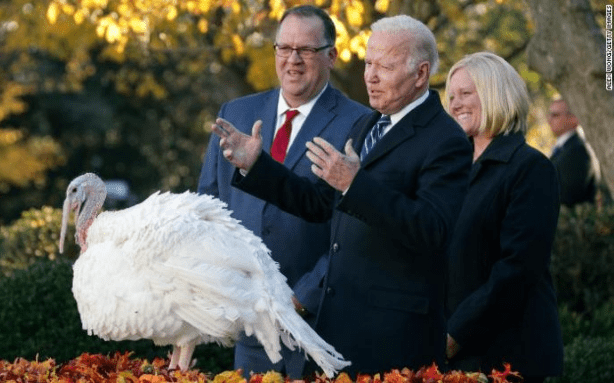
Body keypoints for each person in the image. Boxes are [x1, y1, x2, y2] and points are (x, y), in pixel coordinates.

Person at [210, 15, 472, 376]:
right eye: (368, 64)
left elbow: (432, 228)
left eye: (386, 66)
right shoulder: (371, 124)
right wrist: (257, 166)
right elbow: (318, 204)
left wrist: (355, 185)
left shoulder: (446, 140)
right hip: (340, 332)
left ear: (421, 74)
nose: (371, 76)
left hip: (394, 340)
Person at [197, 5, 371, 378]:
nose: (293, 60)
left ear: (331, 57)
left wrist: (302, 298)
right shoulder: (237, 113)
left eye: (306, 50)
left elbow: (354, 229)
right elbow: (207, 209)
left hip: (320, 324)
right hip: (250, 326)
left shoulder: (358, 122)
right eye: (284, 48)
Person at [444, 52, 563, 383]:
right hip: (449, 354)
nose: (455, 104)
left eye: (466, 94)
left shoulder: (530, 168)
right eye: (451, 96)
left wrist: (455, 333)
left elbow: (517, 268)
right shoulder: (451, 169)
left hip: (507, 357)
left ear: (495, 92)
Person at [547, 99, 605, 207]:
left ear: (574, 118)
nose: (549, 120)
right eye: (549, 114)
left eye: (555, 115)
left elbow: (568, 196)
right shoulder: (565, 147)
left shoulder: (578, 149)